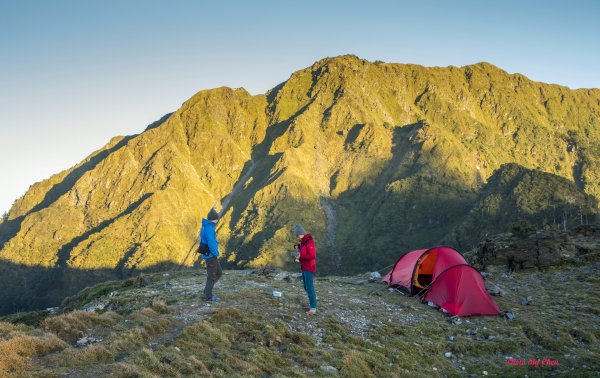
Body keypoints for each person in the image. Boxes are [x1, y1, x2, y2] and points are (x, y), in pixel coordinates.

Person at [294, 224, 317, 315]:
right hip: (304, 267)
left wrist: (301, 256)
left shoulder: (309, 242)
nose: (297, 237)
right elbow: (303, 249)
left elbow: (312, 255)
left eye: (298, 235)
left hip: (309, 267)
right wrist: (297, 247)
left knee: (309, 288)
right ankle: (312, 302)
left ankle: (313, 308)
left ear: (302, 233)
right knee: (306, 287)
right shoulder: (303, 242)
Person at [201, 208, 222, 301]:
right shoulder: (209, 228)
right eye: (217, 219)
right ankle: (207, 296)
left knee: (218, 273)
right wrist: (215, 253)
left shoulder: (206, 226)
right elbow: (211, 242)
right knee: (212, 275)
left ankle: (207, 291)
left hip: (208, 254)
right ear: (214, 219)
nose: (218, 220)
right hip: (210, 255)